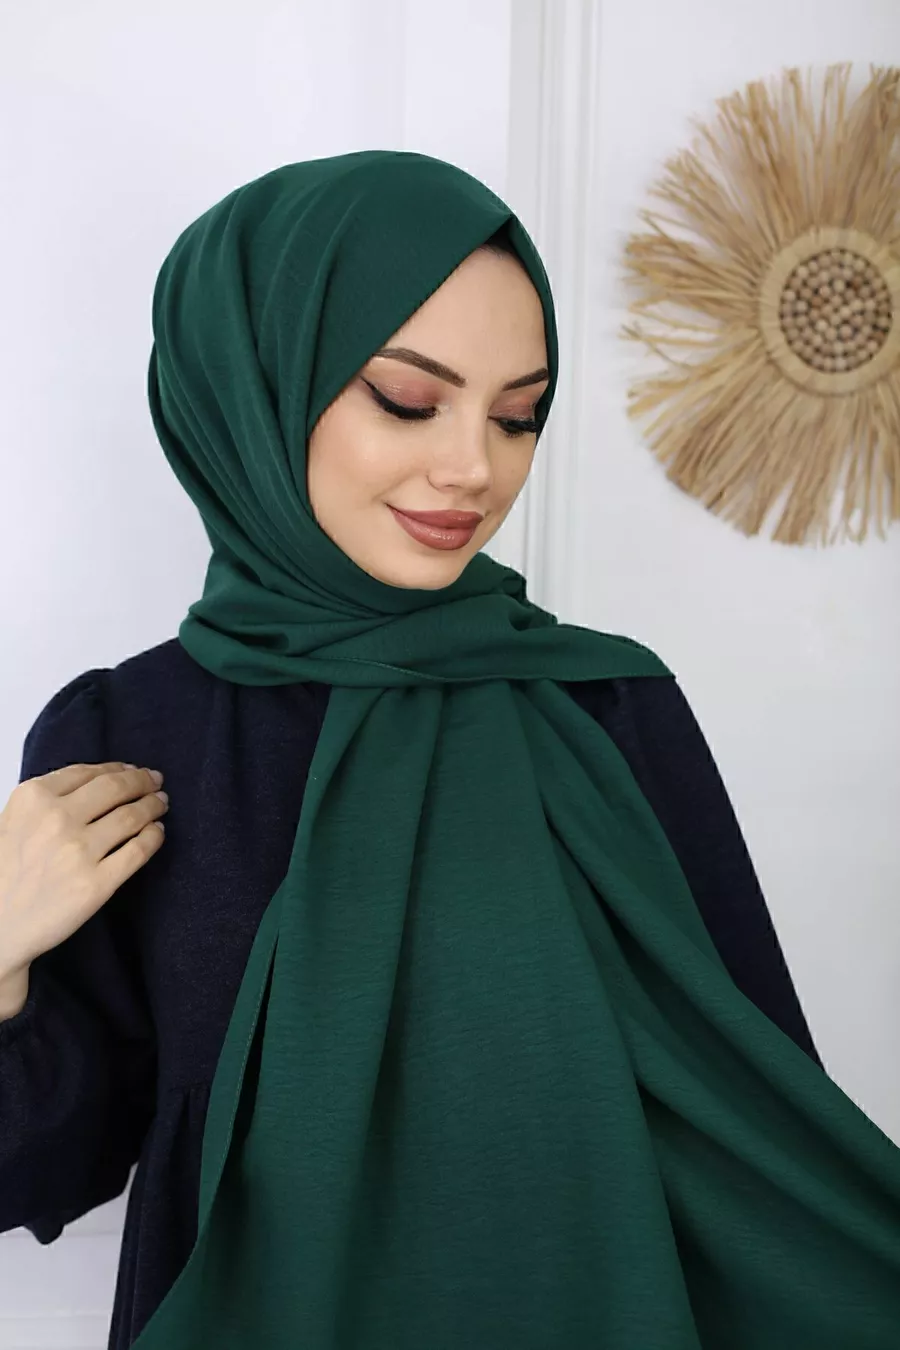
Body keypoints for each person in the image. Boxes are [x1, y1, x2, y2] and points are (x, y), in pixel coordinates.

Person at [1, 150, 899, 1350]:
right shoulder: (127, 736)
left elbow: (763, 1133)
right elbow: (44, 1172)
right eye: (408, 398)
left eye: (519, 415)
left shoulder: (607, 706)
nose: (477, 467)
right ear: (255, 383)